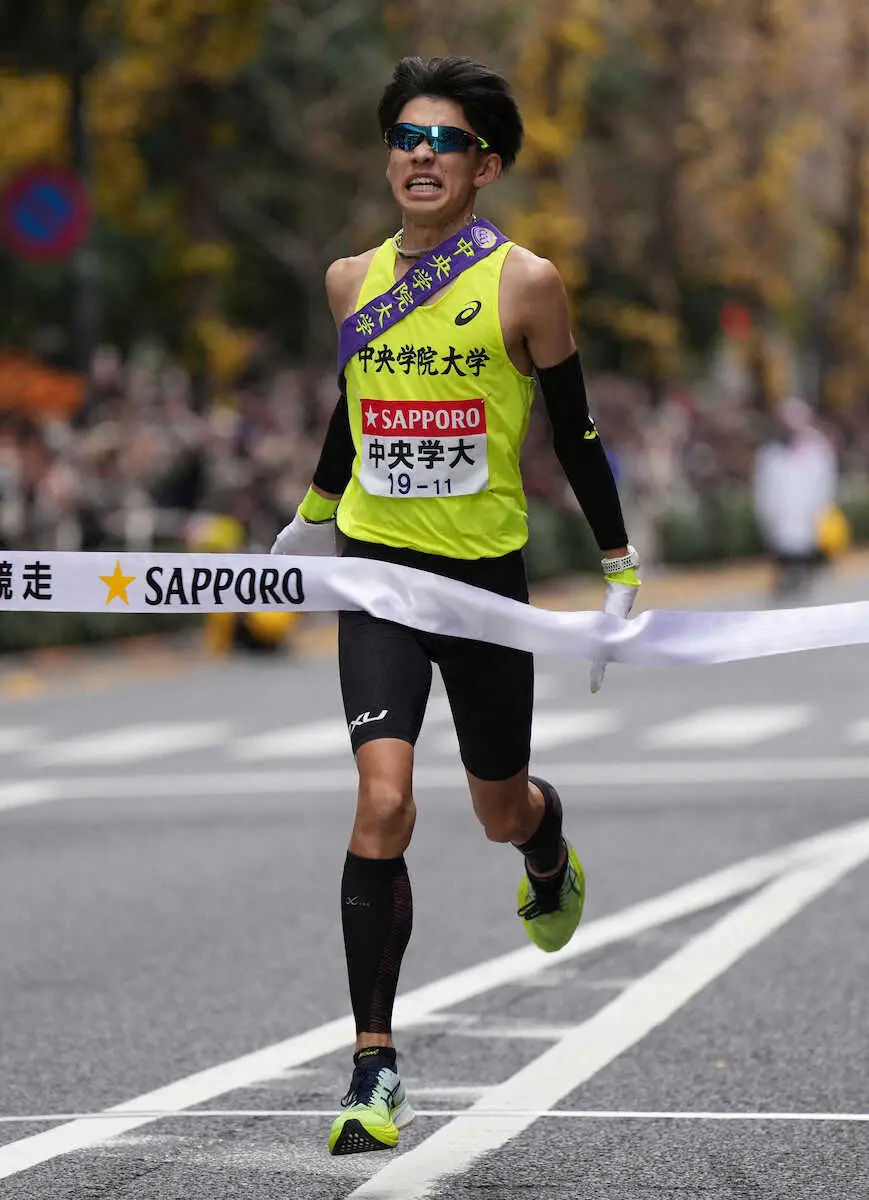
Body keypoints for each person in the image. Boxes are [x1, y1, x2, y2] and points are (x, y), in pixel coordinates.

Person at [271, 55, 641, 1156]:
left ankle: (544, 845)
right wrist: (314, 506)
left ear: (483, 165)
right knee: (381, 806)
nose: (418, 156)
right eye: (402, 137)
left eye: (442, 141)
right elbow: (355, 401)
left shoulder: (526, 281)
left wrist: (616, 559)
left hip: (483, 584)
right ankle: (372, 1069)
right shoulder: (349, 279)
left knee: (495, 808)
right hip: (380, 579)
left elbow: (572, 428)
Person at [752, 396, 839, 598]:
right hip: (782, 527)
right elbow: (764, 492)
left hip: (812, 527)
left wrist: (821, 514)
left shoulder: (818, 451)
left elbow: (826, 487)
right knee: (786, 577)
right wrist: (768, 517)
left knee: (813, 582)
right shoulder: (770, 455)